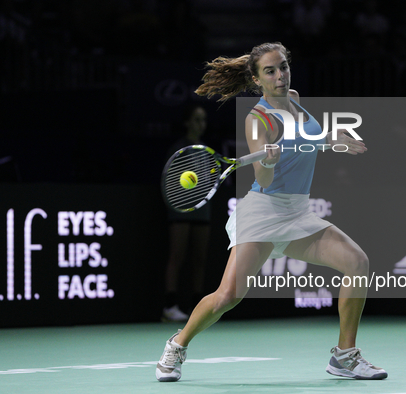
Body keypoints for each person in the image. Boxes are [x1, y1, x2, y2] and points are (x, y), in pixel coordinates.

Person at [156, 42, 387, 382]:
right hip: (264, 213)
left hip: (298, 212)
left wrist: (332, 138)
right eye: (270, 71)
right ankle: (177, 345)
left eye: (283, 67)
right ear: (257, 80)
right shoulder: (256, 120)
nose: (280, 76)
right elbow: (262, 177)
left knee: (357, 262)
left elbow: (310, 138)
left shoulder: (293, 98)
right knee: (229, 296)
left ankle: (345, 356)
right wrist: (266, 159)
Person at [162, 105, 211, 322]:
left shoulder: (206, 150)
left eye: (203, 120)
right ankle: (170, 306)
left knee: (200, 259)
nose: (201, 124)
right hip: (181, 210)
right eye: (197, 119)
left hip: (202, 211)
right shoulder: (178, 149)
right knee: (177, 257)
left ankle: (196, 309)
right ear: (187, 122)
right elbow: (170, 182)